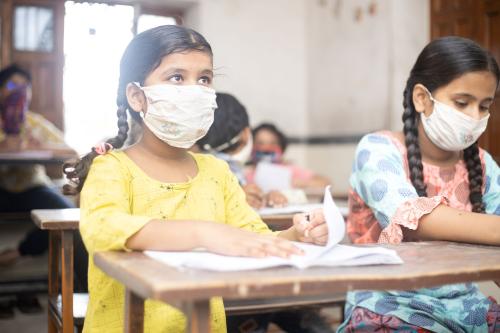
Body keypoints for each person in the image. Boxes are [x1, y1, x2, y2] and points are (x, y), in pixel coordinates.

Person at [64, 25, 328, 333]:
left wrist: (298, 234)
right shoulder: (111, 168)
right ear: (137, 96)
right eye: (177, 77)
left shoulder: (215, 172)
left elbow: (253, 237)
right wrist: (203, 233)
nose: (195, 90)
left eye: (204, 79)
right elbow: (103, 228)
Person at [337, 36, 500, 332]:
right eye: (462, 102)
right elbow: (416, 220)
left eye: (484, 106)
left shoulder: (484, 164)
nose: (474, 117)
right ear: (422, 98)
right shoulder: (377, 150)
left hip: (465, 308)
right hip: (388, 306)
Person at [196, 92, 334, 333]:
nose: (264, 149)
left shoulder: (226, 170)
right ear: (247, 136)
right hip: (229, 276)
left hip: (247, 253)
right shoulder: (223, 171)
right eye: (259, 144)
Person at [0, 65, 88, 314]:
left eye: (24, 87)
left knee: (70, 217)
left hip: (32, 186)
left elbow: (70, 152)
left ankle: (82, 298)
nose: (18, 92)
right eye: (10, 86)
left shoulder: (34, 123)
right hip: (2, 190)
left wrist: (40, 148)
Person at [196, 92, 288, 209]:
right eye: (260, 143)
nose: (266, 148)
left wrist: (264, 197)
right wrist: (234, 197)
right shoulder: (219, 170)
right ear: (245, 134)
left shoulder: (196, 163)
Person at [247, 123, 331, 189]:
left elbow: (325, 182)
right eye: (260, 143)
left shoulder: (290, 170)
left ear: (281, 147)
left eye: (272, 143)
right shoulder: (246, 174)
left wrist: (298, 182)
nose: (266, 148)